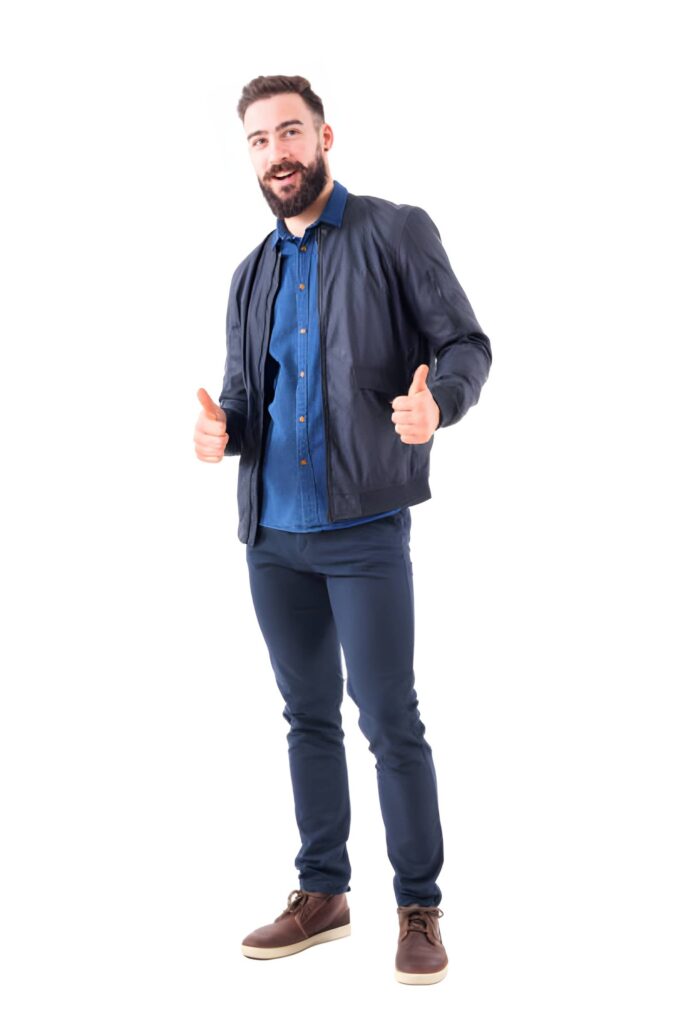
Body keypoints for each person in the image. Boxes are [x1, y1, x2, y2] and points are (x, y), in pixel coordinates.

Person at [194, 74, 492, 986]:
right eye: (259, 140)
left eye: (290, 132)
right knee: (305, 716)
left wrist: (438, 405)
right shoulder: (250, 272)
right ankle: (322, 892)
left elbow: (465, 344)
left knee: (390, 718)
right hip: (271, 537)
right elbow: (244, 395)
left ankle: (418, 906)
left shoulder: (395, 231)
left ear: (324, 137)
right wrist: (222, 430)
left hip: (363, 528)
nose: (276, 153)